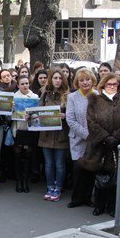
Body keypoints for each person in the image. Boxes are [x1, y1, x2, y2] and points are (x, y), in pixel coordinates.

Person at [78, 73, 120, 216]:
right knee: (100, 176)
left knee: (114, 178)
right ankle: (99, 205)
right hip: (100, 146)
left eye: (114, 84)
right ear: (103, 85)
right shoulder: (95, 100)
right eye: (109, 84)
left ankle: (111, 206)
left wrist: (116, 137)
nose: (111, 87)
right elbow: (91, 121)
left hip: (117, 146)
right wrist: (104, 137)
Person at [66, 68, 98, 208]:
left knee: (90, 170)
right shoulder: (72, 97)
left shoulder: (97, 95)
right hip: (78, 139)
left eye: (88, 79)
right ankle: (76, 198)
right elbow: (70, 120)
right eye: (82, 80)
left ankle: (87, 198)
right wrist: (86, 134)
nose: (85, 82)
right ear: (77, 82)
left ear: (93, 81)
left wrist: (93, 135)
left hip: (94, 140)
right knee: (78, 170)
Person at [38, 68, 70, 202]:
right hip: (46, 135)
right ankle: (50, 186)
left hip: (61, 135)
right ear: (51, 79)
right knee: (49, 164)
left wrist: (65, 115)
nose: (57, 80)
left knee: (59, 164)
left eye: (60, 78)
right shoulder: (45, 94)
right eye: (55, 78)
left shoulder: (67, 95)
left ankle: (58, 187)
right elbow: (39, 111)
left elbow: (73, 115)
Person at [12, 76, 39, 193]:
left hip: (30, 129)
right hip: (17, 129)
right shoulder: (14, 97)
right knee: (18, 156)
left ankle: (25, 181)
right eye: (22, 84)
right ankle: (19, 181)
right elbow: (8, 117)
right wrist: (12, 110)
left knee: (28, 157)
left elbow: (39, 114)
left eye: (26, 83)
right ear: (18, 85)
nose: (25, 86)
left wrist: (32, 115)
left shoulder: (34, 97)